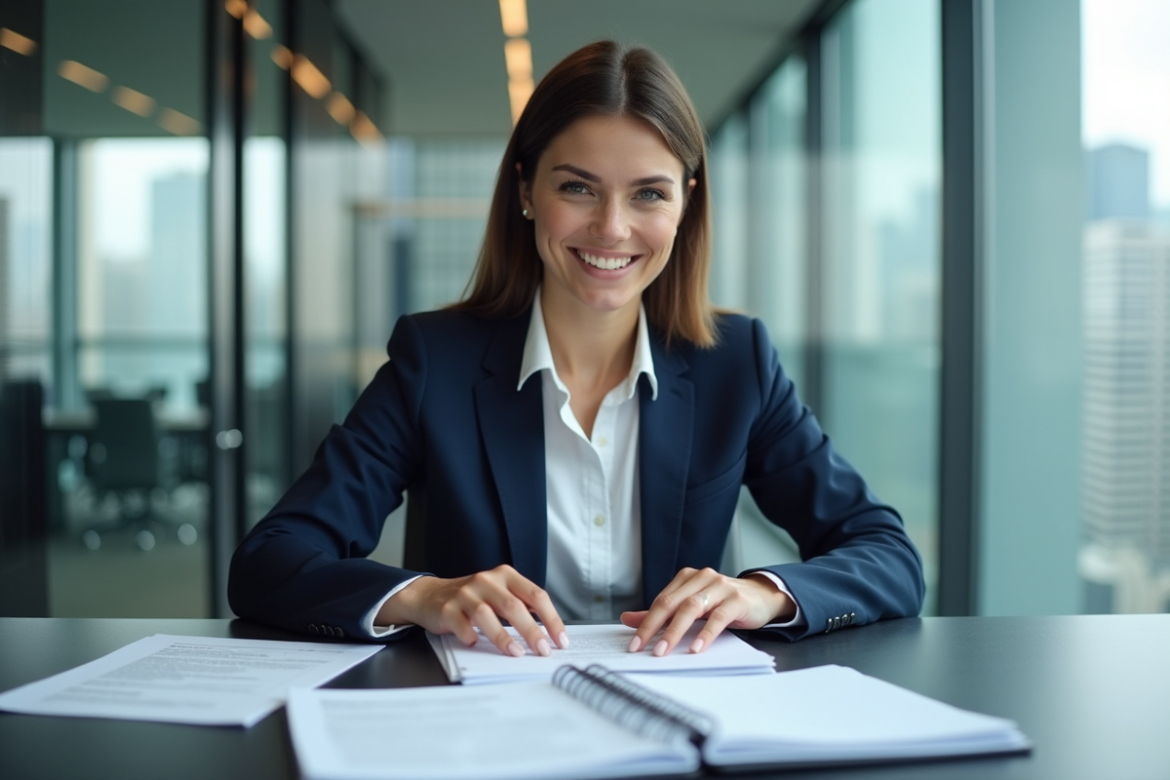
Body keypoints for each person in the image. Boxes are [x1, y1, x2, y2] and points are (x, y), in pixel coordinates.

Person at [228, 41, 924, 658]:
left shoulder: (735, 362)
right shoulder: (433, 361)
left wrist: (764, 594)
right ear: (527, 188)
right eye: (577, 188)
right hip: (488, 729)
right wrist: (423, 597)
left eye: (648, 194)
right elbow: (269, 562)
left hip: (680, 721)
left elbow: (887, 555)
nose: (612, 228)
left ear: (685, 203)